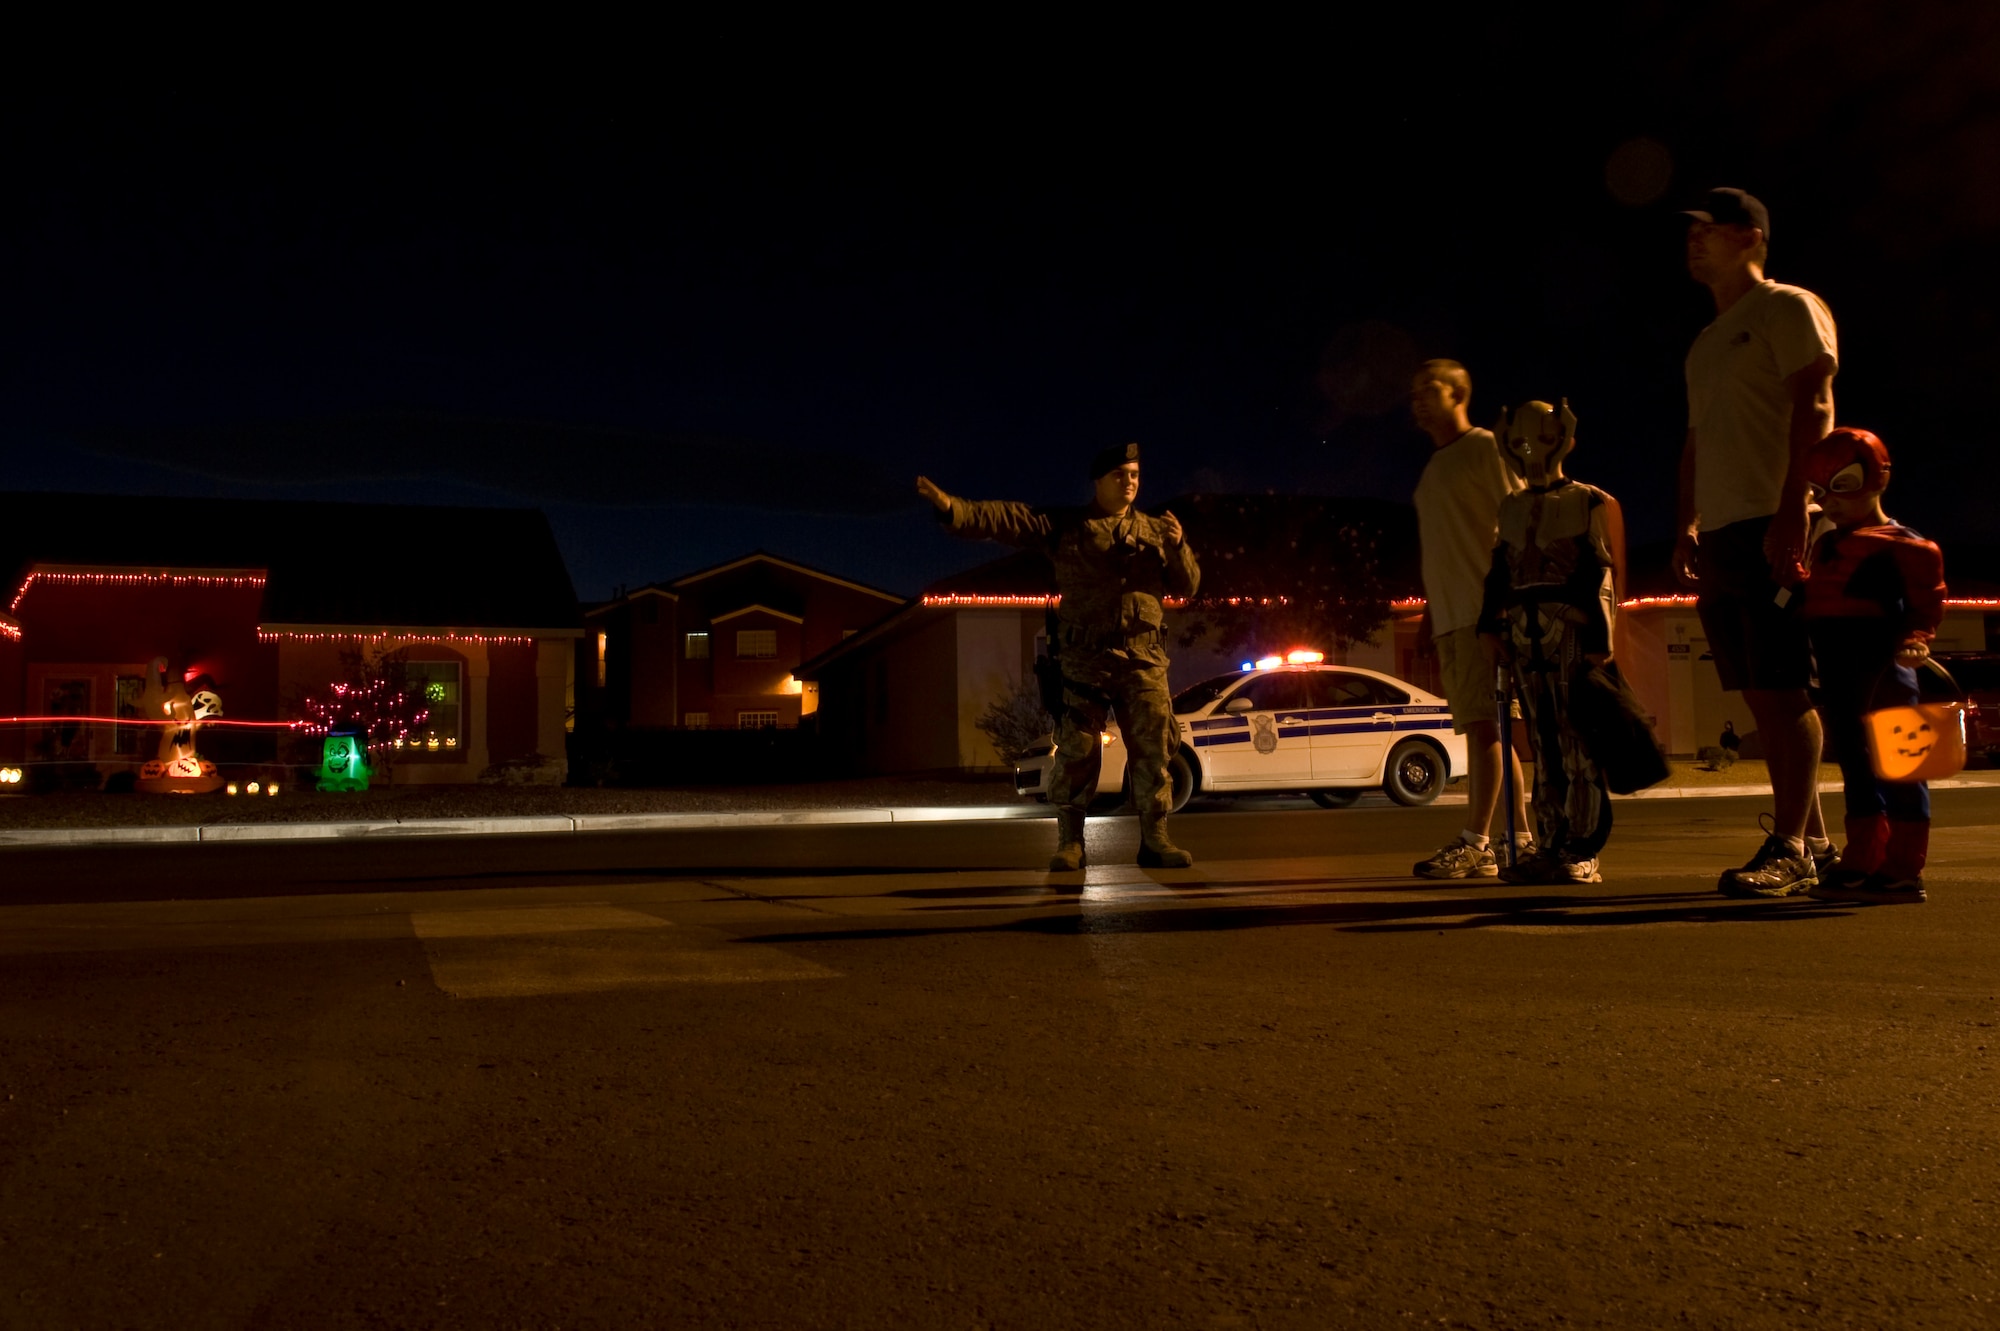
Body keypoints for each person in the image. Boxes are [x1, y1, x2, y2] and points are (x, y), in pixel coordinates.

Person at [916, 443, 1201, 871]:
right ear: (1099, 482)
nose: (1129, 482)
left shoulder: (1158, 532)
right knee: (1077, 751)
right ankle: (1071, 843)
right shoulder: (1068, 526)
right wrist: (954, 509)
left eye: (1135, 475)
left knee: (1153, 750)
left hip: (1143, 661)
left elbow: (1189, 586)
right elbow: (1012, 520)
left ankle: (1155, 838)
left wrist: (1178, 547)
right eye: (1120, 475)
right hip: (1085, 660)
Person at [1671, 187, 1840, 898]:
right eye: (1691, 232)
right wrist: (1687, 519)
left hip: (1776, 517)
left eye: (1708, 229)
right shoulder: (1707, 341)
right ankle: (1819, 841)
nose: (1694, 241)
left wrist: (1794, 508)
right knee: (1758, 693)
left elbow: (1816, 401)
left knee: (1783, 683)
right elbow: (1697, 437)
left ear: (1750, 237)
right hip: (1724, 528)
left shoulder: (1787, 306)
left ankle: (1791, 846)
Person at [1476, 400, 1623, 884]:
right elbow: (1499, 572)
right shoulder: (1511, 507)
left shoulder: (1586, 501)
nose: (1530, 450)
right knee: (1543, 742)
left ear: (1562, 437)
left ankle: (1583, 848)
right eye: (1519, 441)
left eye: (1540, 438)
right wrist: (1489, 627)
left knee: (1578, 741)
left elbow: (1602, 572)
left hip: (1571, 633)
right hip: (1523, 633)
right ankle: (1550, 843)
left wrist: (1602, 639)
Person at [1799, 428, 1946, 905]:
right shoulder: (1824, 545)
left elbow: (1926, 606)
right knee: (1857, 768)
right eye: (1819, 490)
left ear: (1877, 479)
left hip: (1886, 669)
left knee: (1900, 767)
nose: (1830, 502)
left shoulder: (1907, 547)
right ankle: (1864, 856)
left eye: (1841, 486)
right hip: (1840, 669)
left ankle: (1903, 866)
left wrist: (1916, 640)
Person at [1407, 359, 1531, 879]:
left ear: (1459, 393)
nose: (1416, 399)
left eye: (1428, 388)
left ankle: (1476, 842)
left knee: (1485, 727)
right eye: (1413, 391)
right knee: (1488, 727)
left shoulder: (1483, 447)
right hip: (1454, 617)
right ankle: (1518, 839)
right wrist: (1432, 612)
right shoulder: (1434, 467)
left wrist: (1502, 608)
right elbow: (1446, 546)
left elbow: (1519, 519)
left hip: (1486, 613)